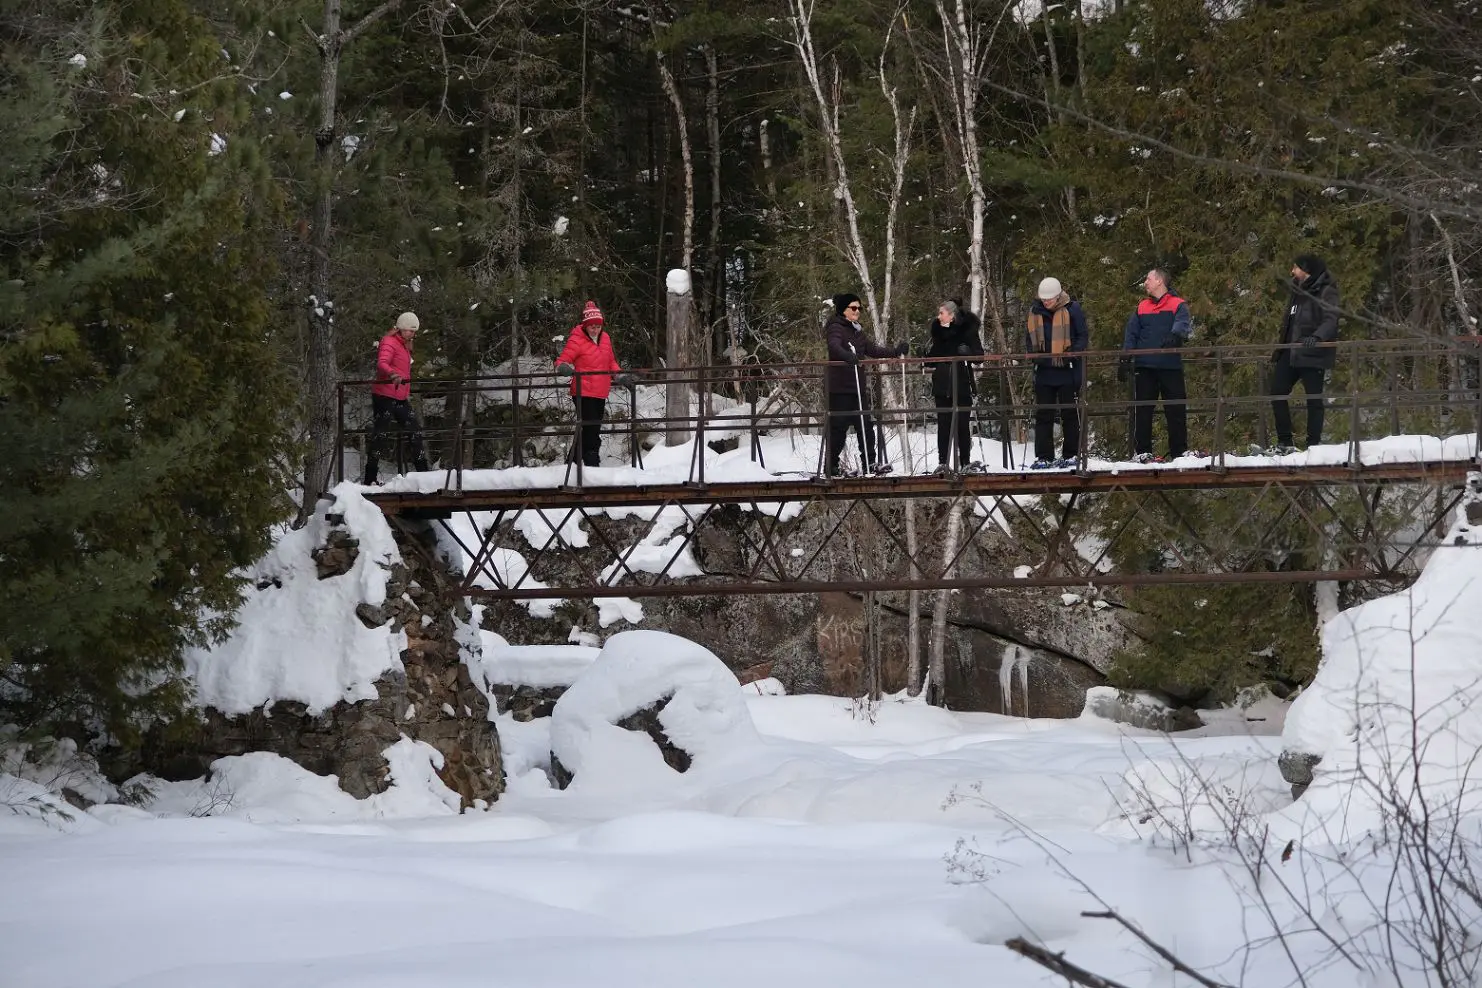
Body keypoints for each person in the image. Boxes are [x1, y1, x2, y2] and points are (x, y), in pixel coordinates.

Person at [1119, 268, 1200, 463]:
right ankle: (1142, 452)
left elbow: (1183, 323)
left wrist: (1175, 335)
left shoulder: (1178, 304)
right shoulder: (1142, 307)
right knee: (1143, 411)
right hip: (1145, 366)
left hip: (1170, 366)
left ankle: (1179, 452)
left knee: (1176, 410)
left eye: (1148, 278)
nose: (1145, 282)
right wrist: (1125, 357)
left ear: (1159, 281)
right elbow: (1131, 333)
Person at [823, 293, 907, 477]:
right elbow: (834, 346)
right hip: (840, 388)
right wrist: (847, 356)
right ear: (843, 310)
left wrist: (894, 351)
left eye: (859, 308)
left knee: (866, 427)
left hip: (857, 388)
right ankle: (831, 467)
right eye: (853, 308)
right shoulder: (836, 327)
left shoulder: (856, 331)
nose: (857, 311)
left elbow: (872, 349)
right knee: (839, 428)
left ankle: (870, 464)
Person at [1266, 254, 1340, 453]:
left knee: (1314, 400)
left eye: (1296, 267)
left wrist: (1317, 338)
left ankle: (1313, 446)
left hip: (1312, 354)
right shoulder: (1296, 291)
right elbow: (1290, 323)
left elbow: (1331, 319)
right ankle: (1285, 442)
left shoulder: (1326, 291)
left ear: (1306, 270)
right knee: (1277, 392)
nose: (1292, 271)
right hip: (1290, 352)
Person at [555, 300, 637, 467]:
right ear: (585, 325)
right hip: (583, 392)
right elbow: (563, 360)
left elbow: (611, 362)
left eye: (598, 326)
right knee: (591, 429)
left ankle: (571, 464)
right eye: (592, 326)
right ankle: (592, 463)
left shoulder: (605, 338)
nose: (595, 329)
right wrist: (563, 367)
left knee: (590, 429)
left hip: (600, 392)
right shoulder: (577, 339)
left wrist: (620, 377)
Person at [1026, 277, 1089, 469]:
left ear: (1058, 296)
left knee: (1069, 413)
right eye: (1043, 299)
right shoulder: (1035, 311)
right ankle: (1044, 456)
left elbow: (1082, 336)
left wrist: (1071, 354)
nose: (1046, 302)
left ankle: (1071, 454)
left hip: (1066, 369)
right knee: (1044, 414)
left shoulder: (1072, 309)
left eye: (1050, 299)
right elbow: (1029, 339)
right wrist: (1035, 355)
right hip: (1044, 370)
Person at [362, 311, 430, 485]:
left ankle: (424, 474)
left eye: (414, 331)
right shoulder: (389, 342)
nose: (412, 334)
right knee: (381, 435)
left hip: (399, 396)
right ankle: (370, 478)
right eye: (410, 330)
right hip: (384, 395)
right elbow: (382, 362)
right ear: (401, 328)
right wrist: (392, 374)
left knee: (414, 431)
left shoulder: (404, 345)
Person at [922, 299, 984, 474]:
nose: (938, 316)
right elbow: (933, 358)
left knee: (963, 425)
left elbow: (980, 357)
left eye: (941, 313)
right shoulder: (938, 333)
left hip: (962, 383)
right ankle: (943, 462)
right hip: (942, 385)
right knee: (944, 424)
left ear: (951, 315)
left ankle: (965, 462)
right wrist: (926, 357)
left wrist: (968, 353)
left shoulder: (968, 332)